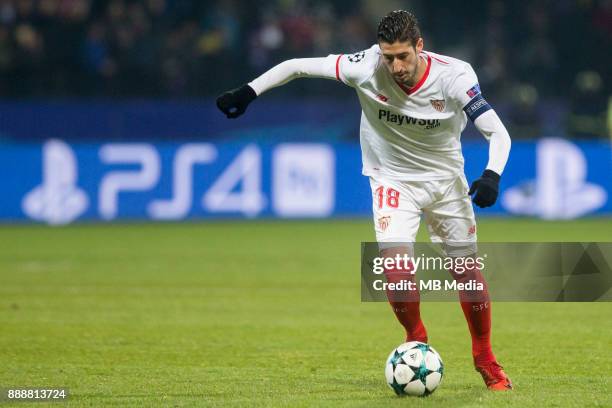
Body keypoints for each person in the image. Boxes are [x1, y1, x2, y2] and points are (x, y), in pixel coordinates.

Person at [216, 10, 512, 390]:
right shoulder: (363, 66)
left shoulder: (454, 76)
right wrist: (249, 91)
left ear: (419, 47)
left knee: (467, 275)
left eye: (403, 56)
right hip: (391, 181)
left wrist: (491, 175)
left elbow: (497, 132)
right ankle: (416, 337)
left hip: (445, 184)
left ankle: (485, 358)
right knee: (396, 270)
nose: (396, 66)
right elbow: (295, 66)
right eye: (389, 57)